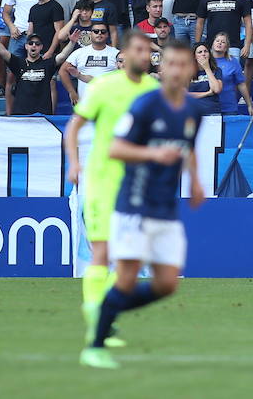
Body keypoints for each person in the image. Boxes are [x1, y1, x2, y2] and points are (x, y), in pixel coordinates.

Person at [82, 37, 205, 369]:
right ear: (161, 67)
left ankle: (106, 308)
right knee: (126, 277)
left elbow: (188, 147)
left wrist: (195, 180)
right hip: (134, 205)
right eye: (172, 64)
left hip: (166, 208)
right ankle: (95, 345)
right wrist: (152, 152)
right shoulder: (145, 106)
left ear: (192, 69)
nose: (177, 71)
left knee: (166, 285)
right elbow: (115, 149)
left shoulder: (193, 110)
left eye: (184, 64)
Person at [63, 31, 158, 347]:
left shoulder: (152, 89)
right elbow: (73, 127)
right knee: (102, 253)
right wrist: (75, 164)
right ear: (126, 54)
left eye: (148, 51)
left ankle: (103, 316)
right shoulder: (103, 87)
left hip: (136, 183)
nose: (145, 56)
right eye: (139, 50)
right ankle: (96, 320)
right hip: (103, 181)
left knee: (130, 257)